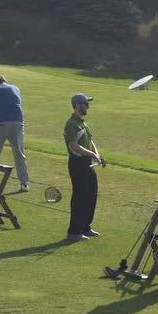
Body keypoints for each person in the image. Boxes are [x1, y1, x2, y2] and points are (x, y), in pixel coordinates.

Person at [63, 93, 104, 241]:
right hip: (77, 163)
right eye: (86, 104)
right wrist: (92, 155)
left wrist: (96, 155)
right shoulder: (71, 124)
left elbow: (91, 142)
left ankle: (85, 227)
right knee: (80, 197)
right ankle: (74, 231)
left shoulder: (83, 123)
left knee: (91, 194)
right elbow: (74, 146)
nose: (88, 106)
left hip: (87, 162)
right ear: (78, 105)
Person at [0, 74, 28, 192]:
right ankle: (24, 184)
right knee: (19, 154)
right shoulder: (15, 88)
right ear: (4, 80)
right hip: (18, 123)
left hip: (1, 124)